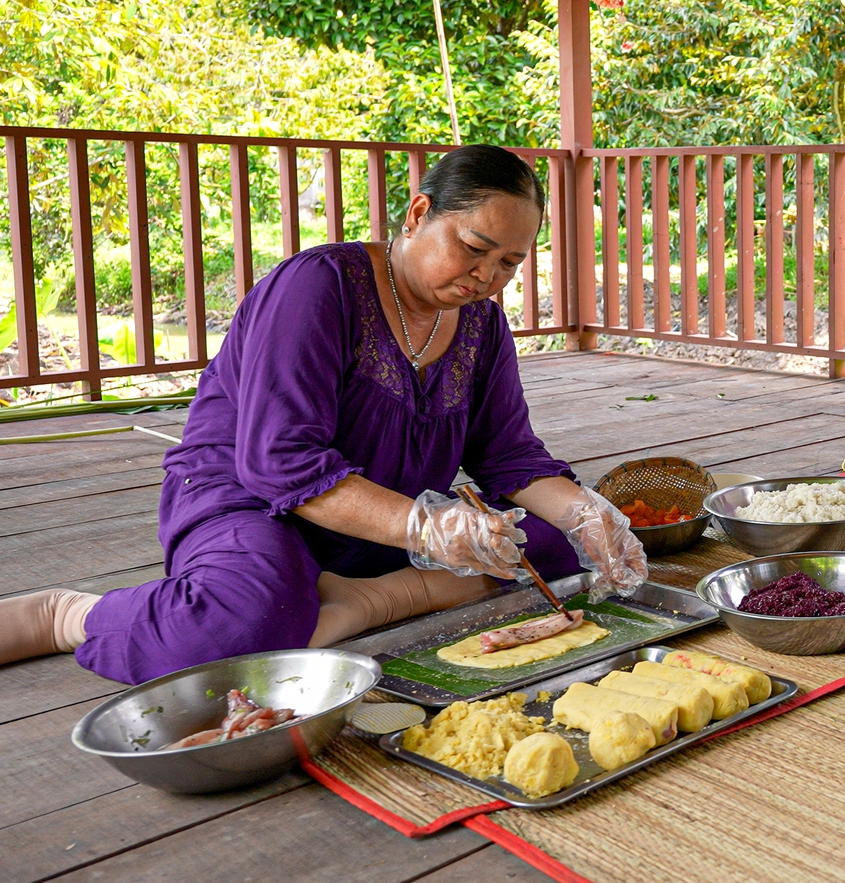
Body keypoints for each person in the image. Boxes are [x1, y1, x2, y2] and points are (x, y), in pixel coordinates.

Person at [0, 145, 649, 684]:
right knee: (250, 623)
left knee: (555, 545)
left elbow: (507, 456)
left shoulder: (481, 323)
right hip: (249, 503)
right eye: (473, 248)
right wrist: (425, 526)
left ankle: (357, 600)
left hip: (379, 522)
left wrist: (587, 513)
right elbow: (280, 462)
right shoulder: (320, 285)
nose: (487, 276)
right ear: (419, 213)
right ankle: (68, 615)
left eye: (508, 262)